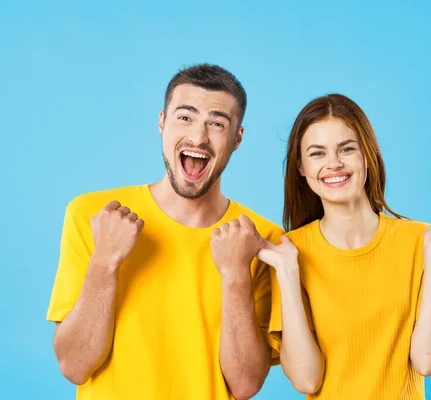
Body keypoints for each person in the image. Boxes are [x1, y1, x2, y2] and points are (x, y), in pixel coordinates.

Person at [46, 64, 283, 400]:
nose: (198, 137)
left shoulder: (261, 239)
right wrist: (105, 262)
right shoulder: (93, 216)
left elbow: (244, 386)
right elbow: (74, 365)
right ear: (162, 122)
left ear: (237, 139)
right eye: (185, 117)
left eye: (217, 124)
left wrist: (235, 275)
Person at [260, 94, 431, 399]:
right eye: (317, 153)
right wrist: (288, 274)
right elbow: (305, 381)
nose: (334, 163)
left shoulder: (419, 240)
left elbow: (429, 362)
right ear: (301, 167)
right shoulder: (290, 252)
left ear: (368, 154)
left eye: (347, 149)